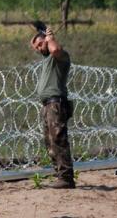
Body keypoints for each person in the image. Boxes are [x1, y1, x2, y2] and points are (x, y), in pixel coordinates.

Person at [33, 24, 75, 188]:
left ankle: (66, 177)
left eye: (39, 44)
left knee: (58, 139)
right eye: (35, 47)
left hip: (55, 103)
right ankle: (60, 175)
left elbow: (55, 50)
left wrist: (50, 37)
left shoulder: (60, 56)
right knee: (50, 142)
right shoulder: (47, 60)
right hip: (48, 105)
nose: (38, 49)